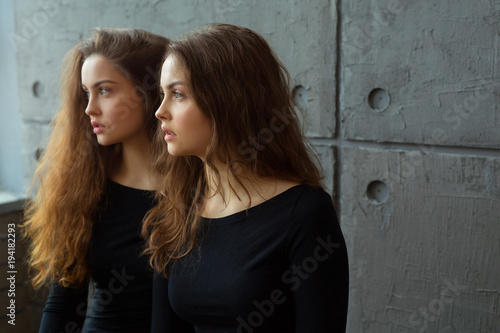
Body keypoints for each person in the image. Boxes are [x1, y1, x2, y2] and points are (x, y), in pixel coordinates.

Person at [143, 23, 349, 332]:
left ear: (229, 100)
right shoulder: (180, 206)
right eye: (162, 94)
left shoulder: (304, 213)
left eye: (178, 94)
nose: (160, 111)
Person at [22, 28, 169, 332]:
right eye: (87, 93)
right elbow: (62, 304)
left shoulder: (204, 186)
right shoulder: (84, 187)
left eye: (105, 90)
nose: (89, 108)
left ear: (150, 91)